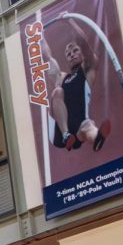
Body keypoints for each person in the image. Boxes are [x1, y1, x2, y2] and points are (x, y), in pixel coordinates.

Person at [42, 19, 111, 152]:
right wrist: (40, 36)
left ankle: (97, 138)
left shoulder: (89, 68)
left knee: (88, 125)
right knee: (57, 91)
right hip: (57, 132)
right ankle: (66, 134)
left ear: (81, 53)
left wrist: (70, 21)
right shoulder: (61, 78)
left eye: (75, 51)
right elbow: (47, 58)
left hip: (78, 131)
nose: (72, 55)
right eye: (68, 54)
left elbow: (84, 44)